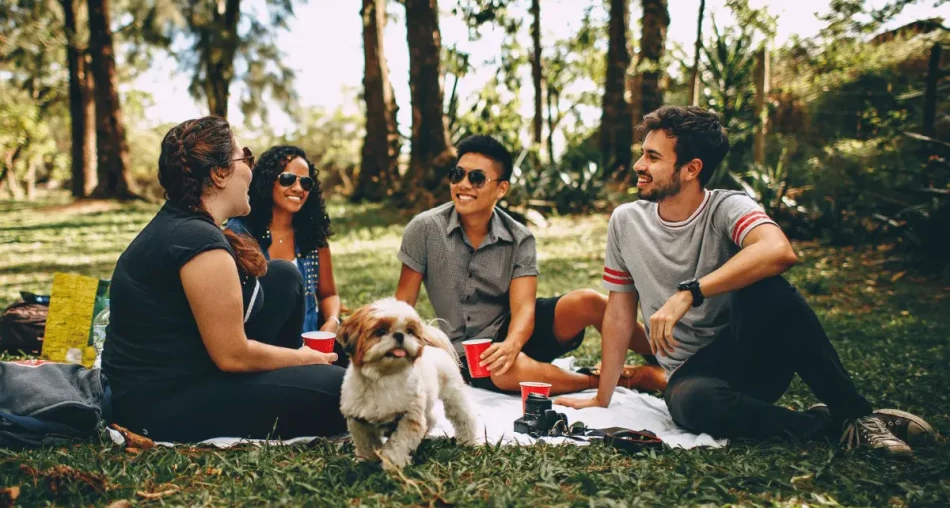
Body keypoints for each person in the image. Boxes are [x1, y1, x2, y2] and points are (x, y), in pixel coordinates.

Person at [557, 106, 933, 458]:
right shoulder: (626, 221)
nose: (639, 165)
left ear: (691, 169)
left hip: (751, 356)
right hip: (693, 377)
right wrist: (601, 398)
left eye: (653, 158)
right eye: (643, 153)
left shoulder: (727, 206)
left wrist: (691, 292)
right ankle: (834, 424)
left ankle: (857, 413)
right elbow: (620, 314)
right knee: (693, 404)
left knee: (769, 287)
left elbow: (778, 250)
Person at [103, 117, 346, 442]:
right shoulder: (196, 240)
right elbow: (232, 355)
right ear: (219, 174)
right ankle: (302, 378)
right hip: (162, 404)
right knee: (344, 391)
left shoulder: (187, 224)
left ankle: (297, 378)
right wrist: (305, 358)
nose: (251, 169)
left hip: (193, 369)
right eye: (244, 157)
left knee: (283, 276)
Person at [395, 135, 666, 396]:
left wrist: (512, 344)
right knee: (505, 371)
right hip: (465, 351)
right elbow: (403, 303)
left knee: (588, 301)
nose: (463, 184)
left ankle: (670, 362)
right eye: (458, 175)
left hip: (515, 330)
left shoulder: (519, 237)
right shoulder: (425, 229)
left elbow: (524, 308)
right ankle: (617, 379)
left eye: (476, 178)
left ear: (501, 188)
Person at [226, 146, 342, 335]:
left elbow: (329, 294)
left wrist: (332, 321)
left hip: (310, 346)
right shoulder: (239, 233)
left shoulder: (312, 235)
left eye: (306, 183)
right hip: (260, 347)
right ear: (268, 181)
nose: (298, 188)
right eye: (288, 179)